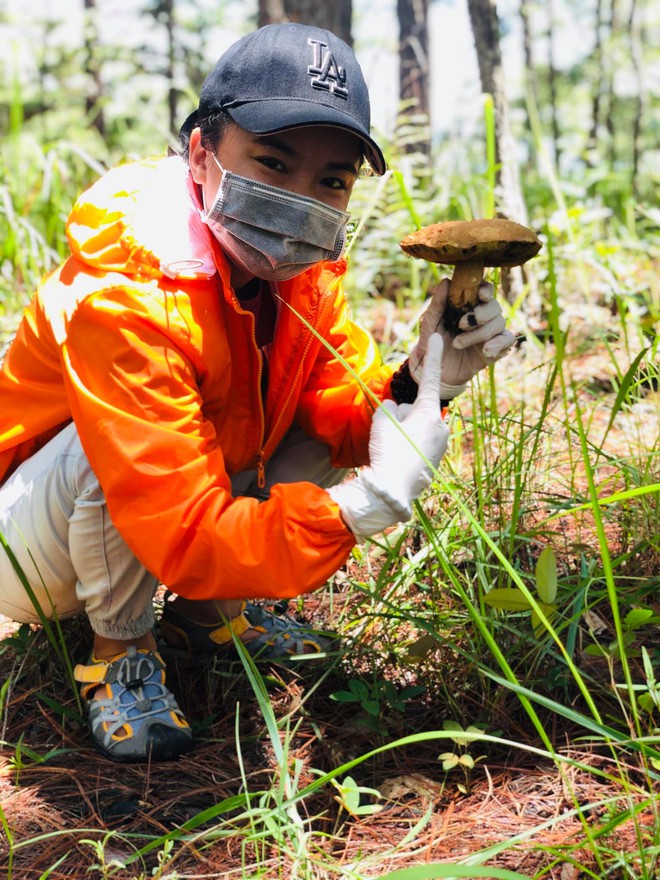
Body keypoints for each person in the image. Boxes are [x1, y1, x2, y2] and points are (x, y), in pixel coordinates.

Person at [0, 23, 514, 763]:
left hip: (167, 504)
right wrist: (362, 508)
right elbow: (173, 519)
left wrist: (425, 378)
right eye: (272, 162)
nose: (302, 199)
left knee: (312, 413)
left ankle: (209, 616)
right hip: (27, 550)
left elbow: (337, 420)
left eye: (331, 181)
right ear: (204, 153)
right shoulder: (128, 292)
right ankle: (118, 653)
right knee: (101, 447)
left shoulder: (298, 278)